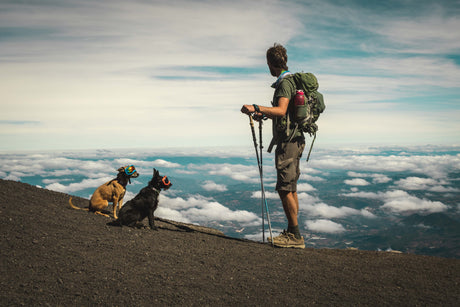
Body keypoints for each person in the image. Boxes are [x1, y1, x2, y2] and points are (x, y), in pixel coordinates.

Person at [241, 43, 305, 249]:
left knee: (284, 187)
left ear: (270, 63)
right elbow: (284, 113)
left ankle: (294, 236)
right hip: (295, 139)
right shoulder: (292, 81)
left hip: (288, 142)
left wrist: (256, 107)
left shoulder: (285, 83)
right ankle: (293, 231)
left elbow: (281, 109)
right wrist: (264, 114)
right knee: (290, 186)